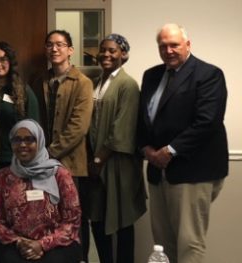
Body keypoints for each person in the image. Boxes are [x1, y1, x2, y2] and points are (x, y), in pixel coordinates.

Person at [136, 23, 227, 263]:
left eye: (174, 44)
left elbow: (208, 121)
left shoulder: (208, 74)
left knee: (189, 243)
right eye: (163, 45)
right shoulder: (151, 75)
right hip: (157, 170)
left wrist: (170, 150)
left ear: (188, 45)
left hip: (192, 170)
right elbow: (143, 118)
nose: (168, 50)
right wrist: (146, 148)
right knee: (162, 244)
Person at [33, 30, 93, 261]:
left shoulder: (82, 83)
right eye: (49, 44)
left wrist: (48, 153)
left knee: (74, 219)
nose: (54, 49)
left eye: (60, 44)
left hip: (70, 166)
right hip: (41, 166)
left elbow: (79, 127)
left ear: (70, 49)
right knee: (47, 217)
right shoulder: (39, 81)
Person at [85, 34, 145, 263]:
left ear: (124, 55)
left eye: (112, 50)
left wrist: (98, 160)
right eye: (103, 50)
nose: (106, 54)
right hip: (96, 166)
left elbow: (122, 129)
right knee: (98, 219)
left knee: (121, 221)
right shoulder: (98, 82)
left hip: (117, 164)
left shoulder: (127, 85)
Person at [0, 119, 81, 263]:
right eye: (17, 140)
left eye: (29, 139)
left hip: (57, 244)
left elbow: (72, 221)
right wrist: (19, 241)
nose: (22, 145)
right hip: (17, 245)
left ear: (39, 141)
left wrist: (42, 244)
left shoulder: (59, 174)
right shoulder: (3, 177)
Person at [0, 41, 40, 169]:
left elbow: (34, 126)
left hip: (15, 159)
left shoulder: (22, 90)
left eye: (2, 59)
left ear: (10, 61)